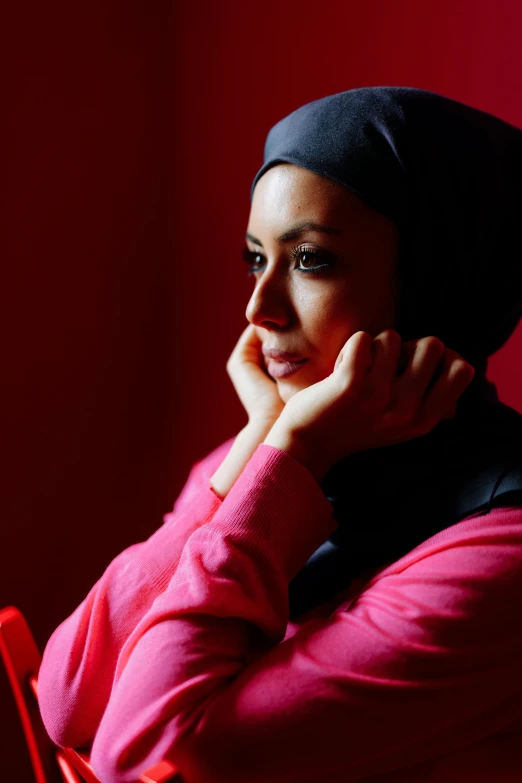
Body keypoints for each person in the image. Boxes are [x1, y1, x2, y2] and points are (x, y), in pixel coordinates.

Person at [38, 87, 522, 783]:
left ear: (432, 283)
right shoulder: (272, 458)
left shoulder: (500, 553)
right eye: (256, 258)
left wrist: (287, 456)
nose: (257, 308)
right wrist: (261, 452)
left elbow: (147, 757)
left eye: (310, 260)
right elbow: (69, 701)